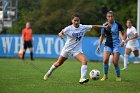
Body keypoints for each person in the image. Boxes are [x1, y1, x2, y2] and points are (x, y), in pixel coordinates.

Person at [43, 13, 108, 84]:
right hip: (67, 49)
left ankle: (82, 78)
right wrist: (61, 35)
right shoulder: (68, 28)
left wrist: (103, 27)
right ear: (72, 21)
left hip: (77, 51)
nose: (76, 22)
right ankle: (49, 73)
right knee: (58, 63)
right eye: (75, 20)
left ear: (79, 21)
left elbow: (94, 26)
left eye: (78, 20)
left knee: (84, 61)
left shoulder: (83, 27)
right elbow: (61, 33)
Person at [96, 11, 126, 81]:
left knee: (115, 62)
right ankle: (105, 75)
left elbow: (124, 34)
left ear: (113, 17)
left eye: (111, 16)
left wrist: (123, 41)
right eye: (109, 16)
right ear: (106, 18)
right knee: (105, 60)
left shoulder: (118, 24)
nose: (110, 18)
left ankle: (118, 76)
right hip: (108, 44)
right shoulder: (104, 25)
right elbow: (102, 36)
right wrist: (99, 45)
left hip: (116, 45)